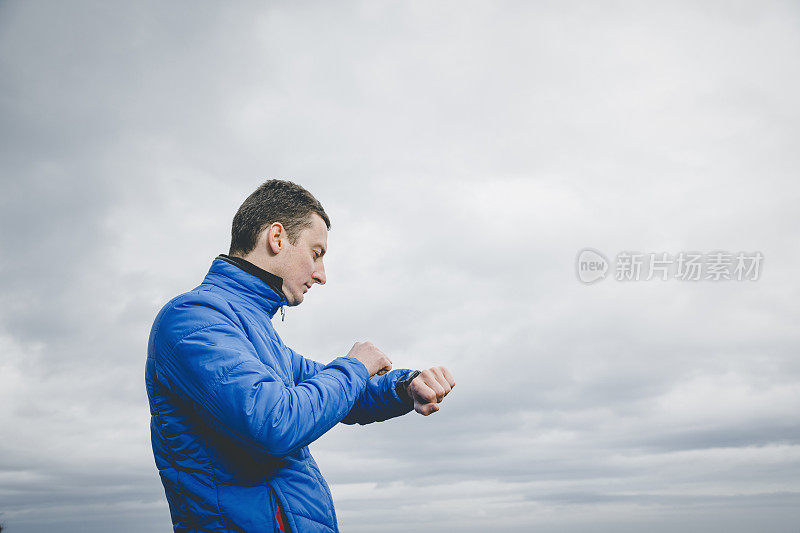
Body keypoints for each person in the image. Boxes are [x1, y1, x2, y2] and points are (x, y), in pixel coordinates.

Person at [146, 180, 456, 532]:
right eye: (316, 253)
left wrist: (405, 386)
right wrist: (355, 364)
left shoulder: (260, 337)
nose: (321, 275)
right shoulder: (193, 319)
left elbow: (344, 394)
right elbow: (274, 422)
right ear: (277, 238)